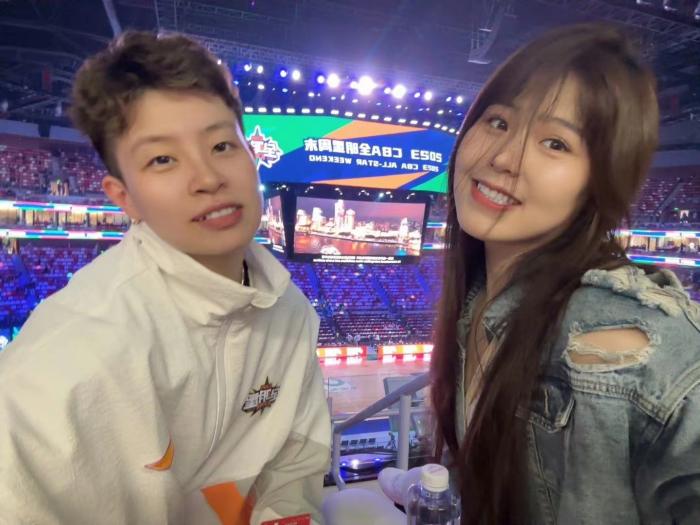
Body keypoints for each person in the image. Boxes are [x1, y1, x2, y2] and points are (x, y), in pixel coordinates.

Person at [324, 22, 700, 524]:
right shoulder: (478, 301)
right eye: (499, 121)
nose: (503, 158)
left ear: (600, 182)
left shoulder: (632, 341)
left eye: (555, 143)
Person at [0, 31, 330, 524]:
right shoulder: (62, 365)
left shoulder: (291, 312)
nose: (208, 178)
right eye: (162, 159)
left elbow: (294, 471)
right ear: (124, 197)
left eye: (222, 145)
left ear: (252, 156)